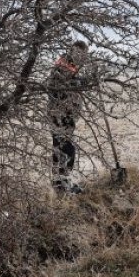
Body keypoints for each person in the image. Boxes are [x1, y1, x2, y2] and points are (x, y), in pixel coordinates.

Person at [47, 40, 90, 193]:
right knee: (66, 149)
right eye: (79, 53)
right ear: (72, 51)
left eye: (83, 54)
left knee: (61, 148)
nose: (81, 57)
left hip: (66, 116)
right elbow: (60, 85)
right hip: (60, 116)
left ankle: (61, 184)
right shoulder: (62, 65)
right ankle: (62, 185)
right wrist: (80, 82)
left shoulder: (71, 66)